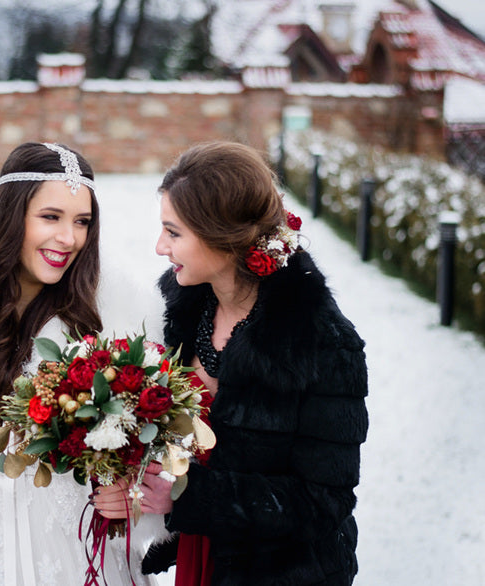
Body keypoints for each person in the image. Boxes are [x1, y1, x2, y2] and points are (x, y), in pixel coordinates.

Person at [95, 141, 368, 585]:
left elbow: (324, 502)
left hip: (286, 573)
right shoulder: (177, 307)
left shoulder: (323, 345)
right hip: (202, 557)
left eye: (174, 232)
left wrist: (185, 498)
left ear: (223, 237)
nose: (160, 246)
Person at [0, 142, 156, 585]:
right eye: (51, 217)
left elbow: (140, 437)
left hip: (72, 532)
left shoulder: (109, 312)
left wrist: (126, 487)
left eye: (82, 222)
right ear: (11, 216)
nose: (69, 238)